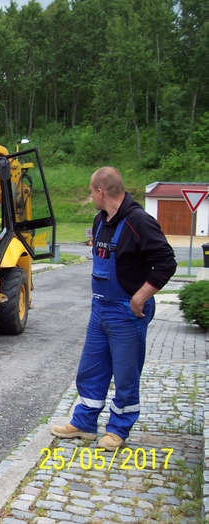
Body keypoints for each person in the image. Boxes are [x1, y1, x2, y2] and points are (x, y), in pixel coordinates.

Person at [51, 166, 177, 451]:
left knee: (125, 374)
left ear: (101, 192)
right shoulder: (100, 220)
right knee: (90, 369)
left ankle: (118, 429)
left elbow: (167, 262)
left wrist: (140, 297)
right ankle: (84, 424)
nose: (90, 197)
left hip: (127, 310)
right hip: (100, 309)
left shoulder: (139, 221)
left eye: (90, 192)